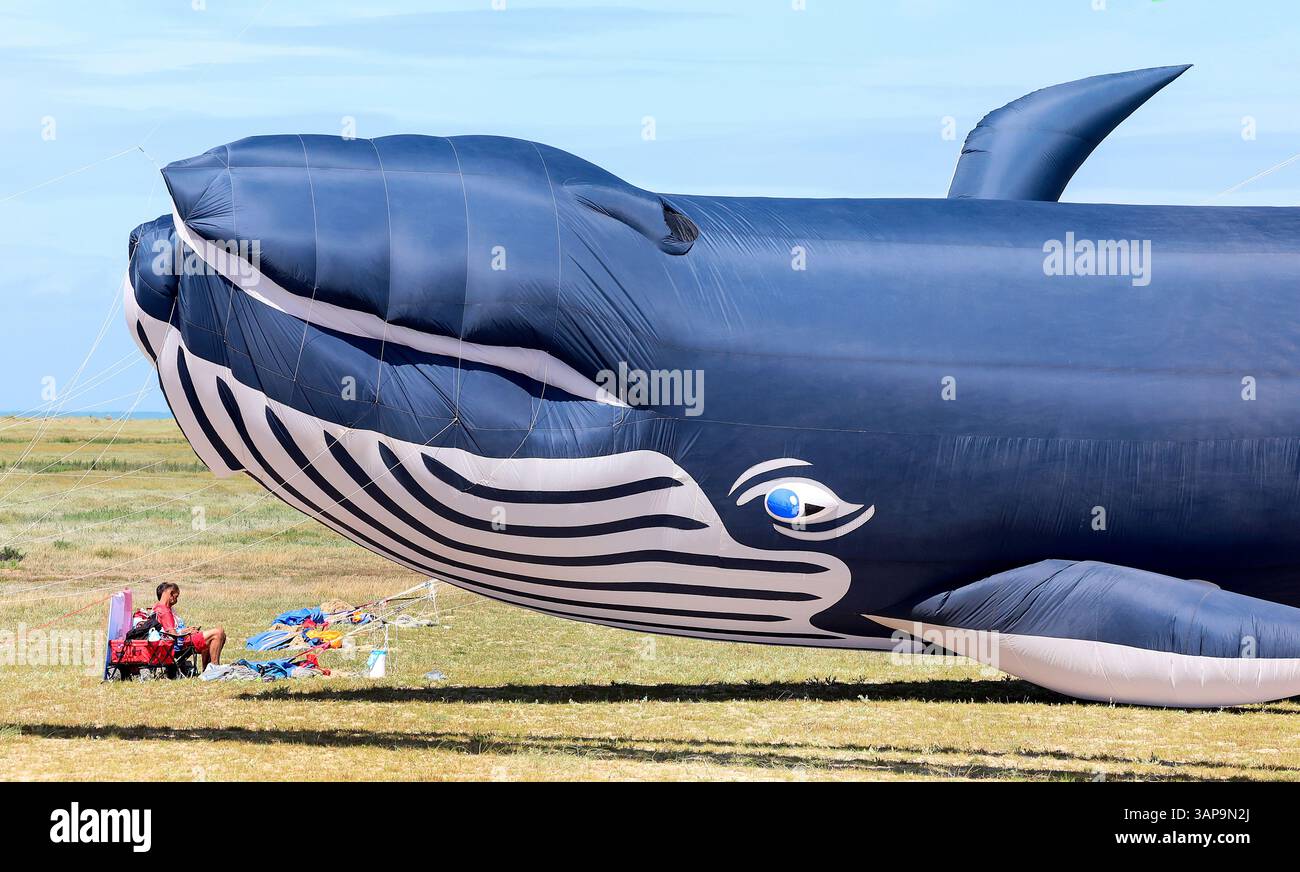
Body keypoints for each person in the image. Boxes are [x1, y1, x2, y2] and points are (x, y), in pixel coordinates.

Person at [153, 582, 226, 669]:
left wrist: (187, 630)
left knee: (219, 635)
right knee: (218, 633)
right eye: (176, 597)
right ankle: (215, 667)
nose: (176, 600)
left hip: (183, 639)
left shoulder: (160, 607)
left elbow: (170, 630)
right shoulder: (164, 611)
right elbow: (172, 635)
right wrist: (187, 632)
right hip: (181, 644)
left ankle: (207, 670)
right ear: (171, 594)